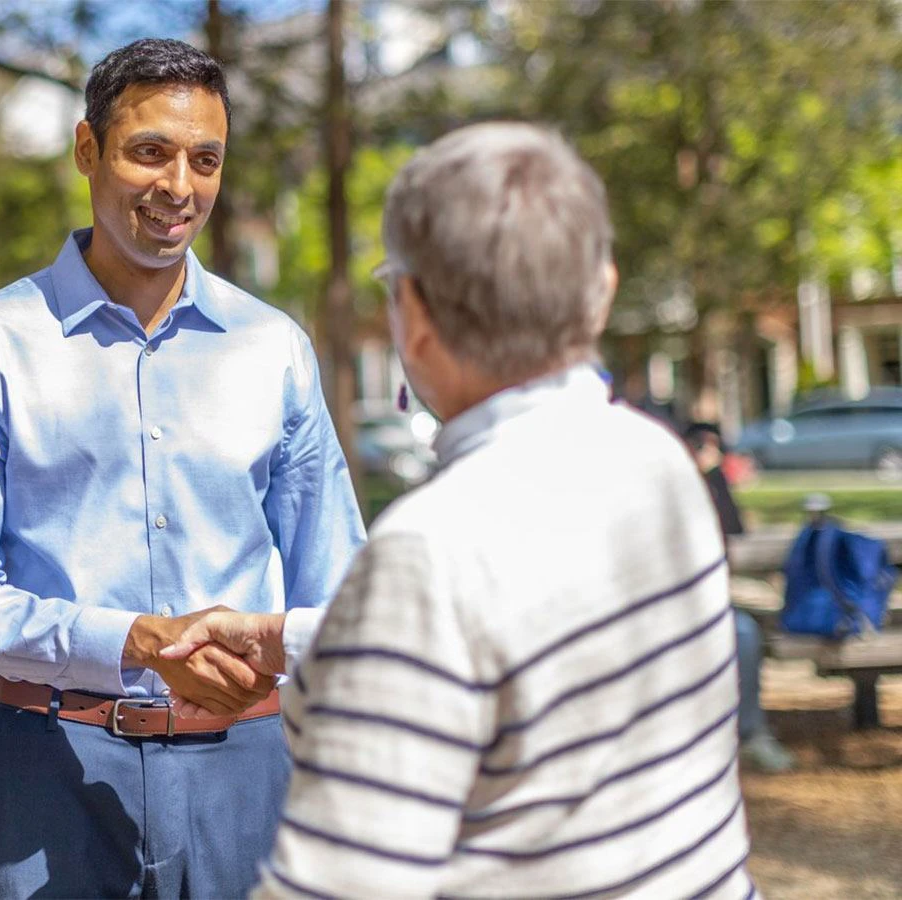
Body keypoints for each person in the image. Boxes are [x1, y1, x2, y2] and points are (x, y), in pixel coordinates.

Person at [168, 124, 755, 898]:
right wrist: (279, 636)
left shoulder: (430, 548)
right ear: (603, 289)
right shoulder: (658, 461)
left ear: (412, 313)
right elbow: (516, 624)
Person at [0, 37, 365, 899]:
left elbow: (337, 591)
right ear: (87, 150)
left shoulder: (273, 349)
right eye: (149, 151)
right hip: (50, 774)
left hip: (250, 772)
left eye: (205, 159)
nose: (179, 186)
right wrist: (128, 642)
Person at [684, 422, 795, 774]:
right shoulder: (664, 488)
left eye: (713, 446)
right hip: (659, 609)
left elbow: (733, 532)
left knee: (744, 634)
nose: (706, 451)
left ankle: (751, 735)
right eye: (700, 444)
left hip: (705, 604)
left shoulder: (711, 485)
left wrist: (711, 479)